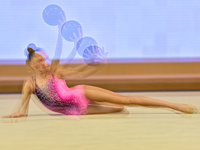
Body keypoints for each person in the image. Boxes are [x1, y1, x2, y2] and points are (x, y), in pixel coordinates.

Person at [3, 15, 197, 118]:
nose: (44, 64)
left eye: (45, 60)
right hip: (78, 110)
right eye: (39, 62)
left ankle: (176, 106)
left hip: (81, 94)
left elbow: (81, 72)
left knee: (128, 101)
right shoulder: (30, 84)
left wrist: (98, 65)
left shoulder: (56, 72)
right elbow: (23, 110)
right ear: (30, 66)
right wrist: (17, 114)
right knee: (120, 109)